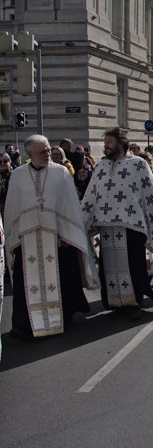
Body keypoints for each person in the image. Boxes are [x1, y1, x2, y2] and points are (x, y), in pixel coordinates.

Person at [82, 128, 153, 317]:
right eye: (106, 143)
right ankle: (114, 302)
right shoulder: (101, 166)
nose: (106, 146)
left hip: (132, 226)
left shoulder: (138, 165)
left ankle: (133, 303)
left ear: (121, 143)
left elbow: (152, 195)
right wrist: (82, 219)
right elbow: (91, 195)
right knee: (109, 267)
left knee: (133, 265)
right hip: (106, 227)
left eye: (110, 142)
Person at [4, 135, 99, 340]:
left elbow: (70, 206)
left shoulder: (61, 172)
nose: (48, 154)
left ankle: (61, 318)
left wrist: (68, 234)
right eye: (43, 152)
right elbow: (12, 208)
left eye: (48, 150)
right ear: (29, 154)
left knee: (62, 278)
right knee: (24, 284)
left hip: (57, 238)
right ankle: (24, 325)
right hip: (26, 239)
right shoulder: (18, 175)